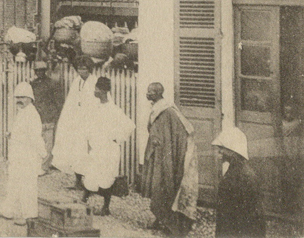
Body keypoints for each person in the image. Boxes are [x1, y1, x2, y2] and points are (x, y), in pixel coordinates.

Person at [139, 82, 199, 236]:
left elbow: (180, 132)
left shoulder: (167, 111)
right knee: (156, 187)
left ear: (159, 93)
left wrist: (166, 147)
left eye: (151, 92)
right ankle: (160, 219)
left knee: (163, 187)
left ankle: (168, 223)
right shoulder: (156, 108)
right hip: (157, 154)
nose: (148, 94)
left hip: (165, 156)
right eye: (148, 91)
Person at [81, 77, 134, 216]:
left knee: (106, 177)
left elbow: (129, 126)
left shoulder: (113, 109)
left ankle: (106, 207)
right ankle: (84, 201)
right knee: (90, 173)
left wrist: (117, 138)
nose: (95, 91)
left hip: (108, 149)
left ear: (103, 91)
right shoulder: (96, 107)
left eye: (97, 89)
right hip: (97, 147)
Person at [0, 81, 47, 226]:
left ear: (30, 98)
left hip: (28, 156)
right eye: (17, 97)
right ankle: (8, 211)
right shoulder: (22, 113)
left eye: (23, 97)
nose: (20, 100)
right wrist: (12, 134)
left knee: (27, 185)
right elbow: (21, 132)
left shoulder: (32, 114)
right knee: (13, 182)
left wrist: (43, 154)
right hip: (18, 155)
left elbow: (35, 137)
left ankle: (29, 216)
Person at [52, 55, 98, 188]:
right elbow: (71, 101)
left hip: (88, 121)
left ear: (89, 69)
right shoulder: (77, 81)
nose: (81, 71)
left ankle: (90, 183)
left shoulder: (94, 82)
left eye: (84, 69)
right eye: (79, 68)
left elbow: (95, 104)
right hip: (76, 121)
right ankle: (78, 181)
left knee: (87, 151)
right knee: (75, 150)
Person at [212, 127, 265, 238]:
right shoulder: (242, 173)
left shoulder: (237, 177)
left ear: (233, 150)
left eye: (222, 148)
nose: (219, 151)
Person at [30, 60, 64, 173]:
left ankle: (44, 166)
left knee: (48, 143)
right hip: (36, 116)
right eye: (37, 70)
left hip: (48, 116)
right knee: (37, 141)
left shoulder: (52, 83)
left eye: (41, 70)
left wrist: (55, 115)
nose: (39, 72)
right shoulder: (33, 84)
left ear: (45, 71)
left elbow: (58, 102)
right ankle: (38, 164)